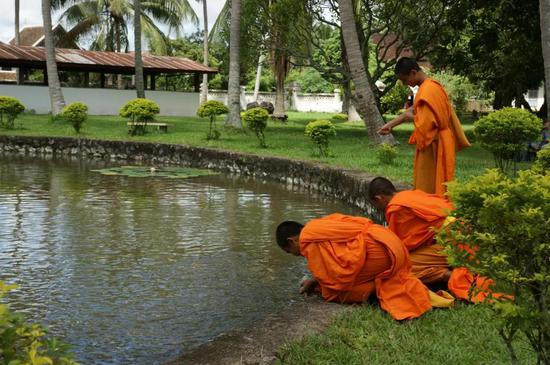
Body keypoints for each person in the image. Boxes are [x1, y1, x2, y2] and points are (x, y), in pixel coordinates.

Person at [275, 213, 453, 321]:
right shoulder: (320, 224)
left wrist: (316, 284)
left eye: (291, 252)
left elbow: (337, 278)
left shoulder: (306, 240)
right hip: (393, 244)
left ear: (291, 241)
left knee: (332, 291)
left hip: (381, 254)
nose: (298, 255)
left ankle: (376, 293)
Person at [368, 176, 505, 303]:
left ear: (379, 198)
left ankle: (451, 277)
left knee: (402, 267)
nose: (378, 209)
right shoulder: (411, 194)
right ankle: (450, 270)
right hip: (464, 236)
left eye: (375, 205)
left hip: (455, 243)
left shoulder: (396, 208)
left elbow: (403, 245)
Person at [378, 58, 470, 197]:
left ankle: (432, 212)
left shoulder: (428, 89)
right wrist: (391, 124)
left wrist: (410, 118)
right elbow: (416, 110)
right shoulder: (431, 86)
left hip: (435, 143)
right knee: (432, 182)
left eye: (404, 80)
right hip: (438, 140)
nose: (404, 84)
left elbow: (427, 124)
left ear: (413, 73)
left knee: (430, 185)